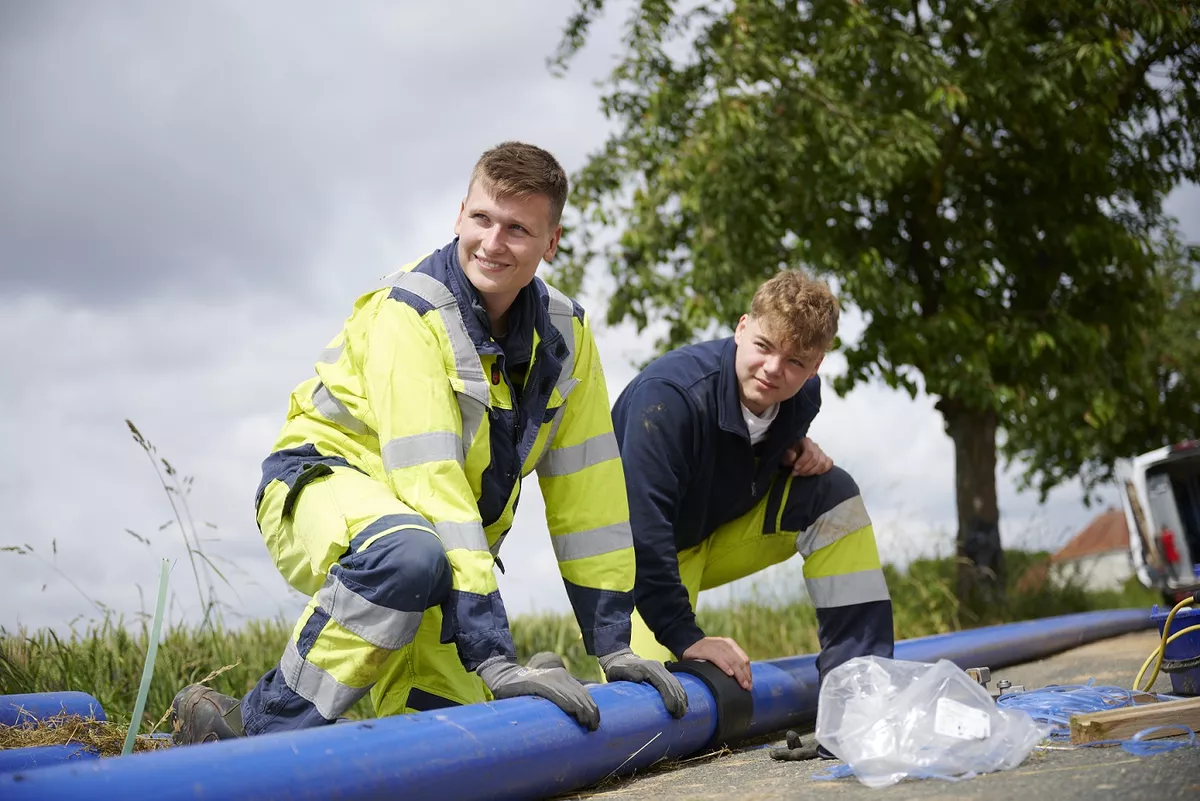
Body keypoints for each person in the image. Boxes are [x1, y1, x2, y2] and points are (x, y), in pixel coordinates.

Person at [170, 141, 687, 744]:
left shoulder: (567, 336)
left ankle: (200, 743)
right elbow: (430, 479)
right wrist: (495, 656)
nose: (493, 242)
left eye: (518, 229)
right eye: (482, 219)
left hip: (441, 549)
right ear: (460, 212)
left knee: (457, 746)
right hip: (326, 485)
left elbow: (589, 498)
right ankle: (243, 735)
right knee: (407, 555)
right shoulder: (410, 312)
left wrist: (613, 646)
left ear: (552, 243)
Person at [610, 270, 895, 758]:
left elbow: (746, 444)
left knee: (835, 495)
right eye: (763, 346)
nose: (772, 369)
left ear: (816, 367)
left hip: (714, 532)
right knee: (649, 725)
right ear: (741, 327)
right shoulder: (669, 398)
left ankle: (859, 701)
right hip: (637, 559)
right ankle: (548, 684)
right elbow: (641, 527)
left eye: (795, 362)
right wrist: (687, 638)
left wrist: (792, 448)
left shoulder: (802, 397)